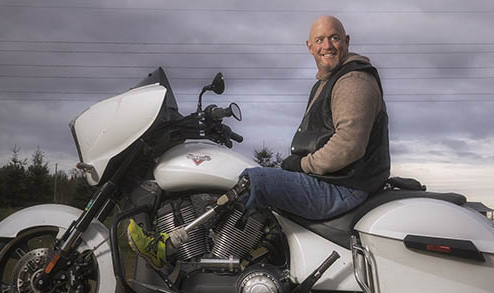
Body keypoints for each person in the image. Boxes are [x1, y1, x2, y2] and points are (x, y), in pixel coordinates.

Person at [128, 15, 390, 269]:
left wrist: (303, 165)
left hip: (343, 187)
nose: (327, 46)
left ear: (346, 40)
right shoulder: (329, 82)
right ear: (309, 46)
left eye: (334, 38)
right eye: (320, 40)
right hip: (336, 182)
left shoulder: (353, 80)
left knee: (254, 182)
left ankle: (170, 249)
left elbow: (349, 145)